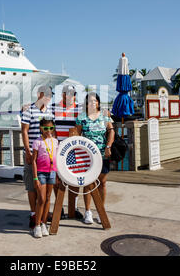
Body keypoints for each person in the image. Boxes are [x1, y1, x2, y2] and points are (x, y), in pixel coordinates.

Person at [75, 93, 115, 225]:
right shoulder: (81, 117)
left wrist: (108, 146)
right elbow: (77, 135)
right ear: (86, 103)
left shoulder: (105, 115)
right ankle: (88, 212)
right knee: (88, 183)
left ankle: (100, 210)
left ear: (98, 102)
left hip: (103, 154)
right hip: (87, 156)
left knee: (102, 182)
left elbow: (111, 131)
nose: (93, 103)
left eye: (95, 101)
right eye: (90, 101)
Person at [21, 86, 55, 233]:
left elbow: (51, 132)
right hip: (32, 153)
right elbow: (24, 131)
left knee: (44, 190)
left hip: (46, 156)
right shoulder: (29, 111)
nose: (47, 97)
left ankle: (42, 218)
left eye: (49, 95)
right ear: (39, 94)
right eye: (45, 95)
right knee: (32, 186)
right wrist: (28, 151)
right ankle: (34, 214)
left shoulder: (50, 112)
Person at [53, 85, 84, 220]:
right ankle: (60, 208)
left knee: (74, 179)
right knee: (57, 180)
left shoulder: (80, 109)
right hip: (57, 149)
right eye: (67, 93)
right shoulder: (54, 108)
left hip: (73, 150)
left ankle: (74, 207)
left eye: (72, 93)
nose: (70, 95)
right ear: (63, 94)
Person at [32, 118, 59, 238]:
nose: (48, 131)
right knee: (41, 199)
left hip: (52, 172)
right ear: (41, 128)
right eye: (46, 128)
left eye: (51, 128)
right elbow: (33, 161)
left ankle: (44, 223)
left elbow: (57, 158)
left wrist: (57, 174)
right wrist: (35, 178)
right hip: (41, 173)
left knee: (48, 198)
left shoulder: (55, 141)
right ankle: (37, 225)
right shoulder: (37, 142)